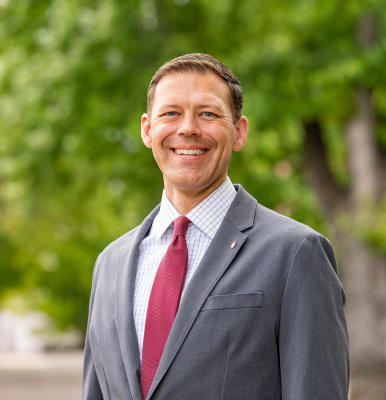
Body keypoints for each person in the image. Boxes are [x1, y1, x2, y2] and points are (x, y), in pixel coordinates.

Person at [82, 53, 350, 400]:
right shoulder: (109, 263)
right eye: (171, 113)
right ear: (148, 130)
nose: (188, 128)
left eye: (208, 113)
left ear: (239, 132)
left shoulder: (296, 253)